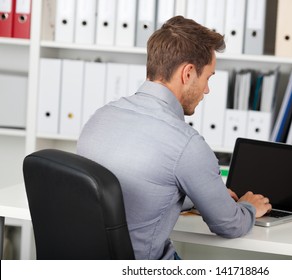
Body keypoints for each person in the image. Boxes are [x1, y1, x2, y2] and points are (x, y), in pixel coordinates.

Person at [77, 16, 272, 260]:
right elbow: (230, 226)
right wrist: (249, 207)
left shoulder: (100, 117)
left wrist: (198, 197)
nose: (207, 90)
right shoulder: (186, 144)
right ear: (188, 73)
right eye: (208, 78)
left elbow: (135, 190)